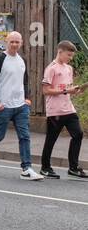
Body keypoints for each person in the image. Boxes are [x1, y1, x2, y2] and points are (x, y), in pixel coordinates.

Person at [0, 31, 42, 179]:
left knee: (24, 136)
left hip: (21, 107)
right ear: (7, 42)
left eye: (17, 42)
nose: (15, 44)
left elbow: (24, 80)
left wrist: (27, 98)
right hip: (3, 106)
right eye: (12, 41)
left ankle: (26, 169)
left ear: (21, 43)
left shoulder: (22, 59)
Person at [39, 40, 85, 179]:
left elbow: (66, 88)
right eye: (69, 55)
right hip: (55, 111)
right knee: (51, 139)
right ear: (60, 52)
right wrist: (66, 90)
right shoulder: (51, 68)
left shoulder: (69, 68)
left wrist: (74, 91)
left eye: (72, 56)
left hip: (69, 109)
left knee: (78, 134)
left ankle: (73, 168)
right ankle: (45, 168)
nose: (70, 58)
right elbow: (46, 90)